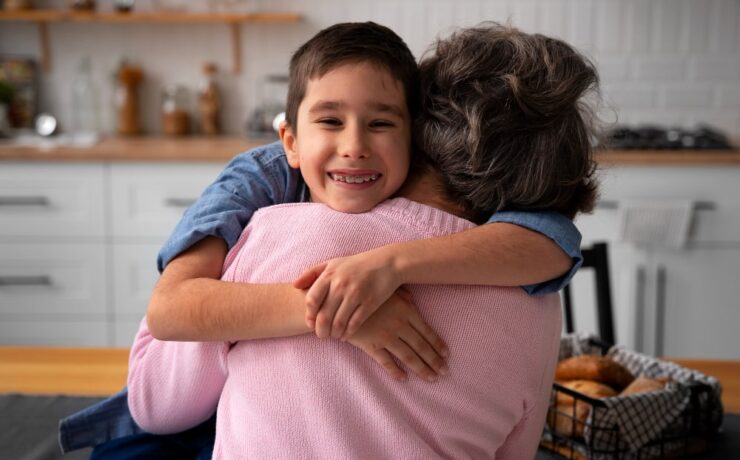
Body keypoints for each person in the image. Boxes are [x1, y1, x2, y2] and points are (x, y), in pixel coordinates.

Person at [58, 22, 585, 458]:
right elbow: (174, 307)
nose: (353, 146)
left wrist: (378, 275)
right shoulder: (538, 298)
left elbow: (156, 403)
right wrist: (328, 311)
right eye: (329, 120)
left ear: (418, 131)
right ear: (290, 139)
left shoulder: (276, 235)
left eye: (381, 123)